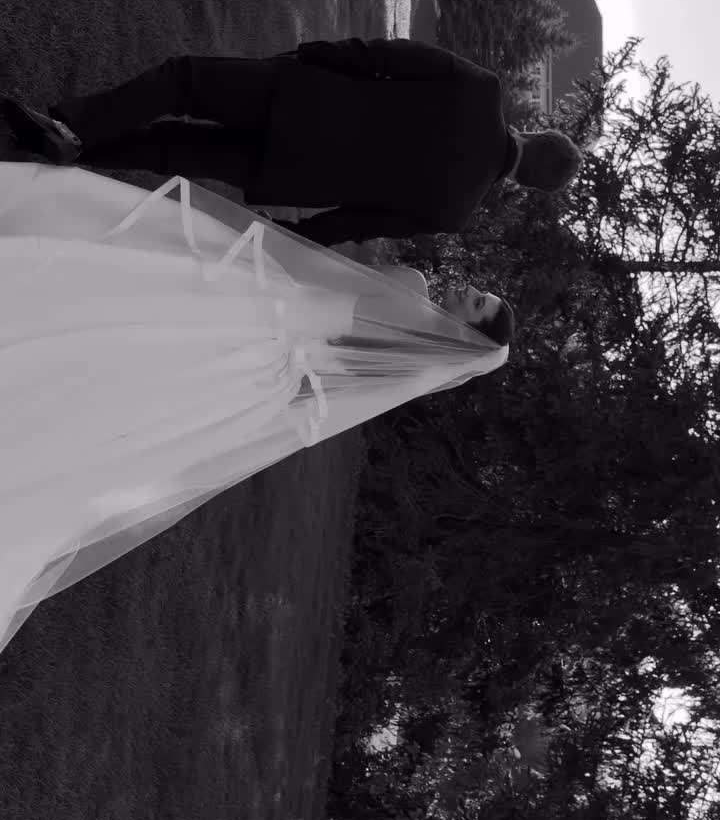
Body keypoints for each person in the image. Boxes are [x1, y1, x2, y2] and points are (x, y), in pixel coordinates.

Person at [0, 161, 513, 656]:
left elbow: (321, 272)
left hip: (264, 322)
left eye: (475, 303)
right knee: (136, 400)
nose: (468, 289)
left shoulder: (413, 289)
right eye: (479, 292)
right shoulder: (418, 372)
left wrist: (243, 234)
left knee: (132, 318)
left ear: (466, 332)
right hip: (264, 381)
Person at [1, 35, 583, 246]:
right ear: (526, 188)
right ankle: (63, 153)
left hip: (304, 98)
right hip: (291, 172)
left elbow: (386, 56)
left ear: (536, 132)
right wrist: (295, 240)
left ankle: (73, 132)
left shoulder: (482, 89)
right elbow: (354, 222)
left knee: (184, 81)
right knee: (169, 151)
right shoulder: (454, 211)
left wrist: (315, 54)